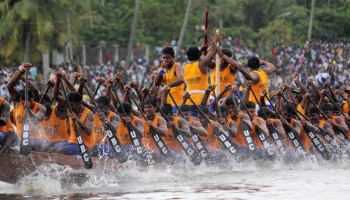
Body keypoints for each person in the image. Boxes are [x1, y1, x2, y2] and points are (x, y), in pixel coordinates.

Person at [183, 27, 217, 116]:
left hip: (189, 102)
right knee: (205, 126)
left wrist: (200, 51)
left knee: (193, 126)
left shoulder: (184, 66)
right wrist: (208, 35)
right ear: (199, 55)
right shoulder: (202, 64)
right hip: (203, 102)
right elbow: (215, 49)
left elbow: (194, 58)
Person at [57, 91, 94, 156]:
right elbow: (57, 97)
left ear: (79, 103)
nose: (70, 107)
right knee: (53, 149)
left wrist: (77, 119)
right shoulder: (70, 111)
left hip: (84, 145)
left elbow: (89, 131)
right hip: (71, 143)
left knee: (60, 150)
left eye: (72, 105)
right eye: (68, 105)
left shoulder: (89, 114)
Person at [141, 96, 168, 162]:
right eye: (145, 107)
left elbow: (165, 133)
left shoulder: (160, 120)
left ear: (155, 108)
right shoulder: (141, 118)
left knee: (149, 152)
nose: (147, 109)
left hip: (158, 150)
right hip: (144, 149)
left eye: (149, 107)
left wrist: (153, 126)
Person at [158, 47, 184, 114]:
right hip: (166, 103)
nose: (165, 60)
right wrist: (162, 69)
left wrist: (167, 86)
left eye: (168, 58)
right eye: (163, 58)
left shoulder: (176, 66)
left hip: (177, 102)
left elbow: (181, 79)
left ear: (173, 57)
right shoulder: (162, 70)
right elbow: (156, 82)